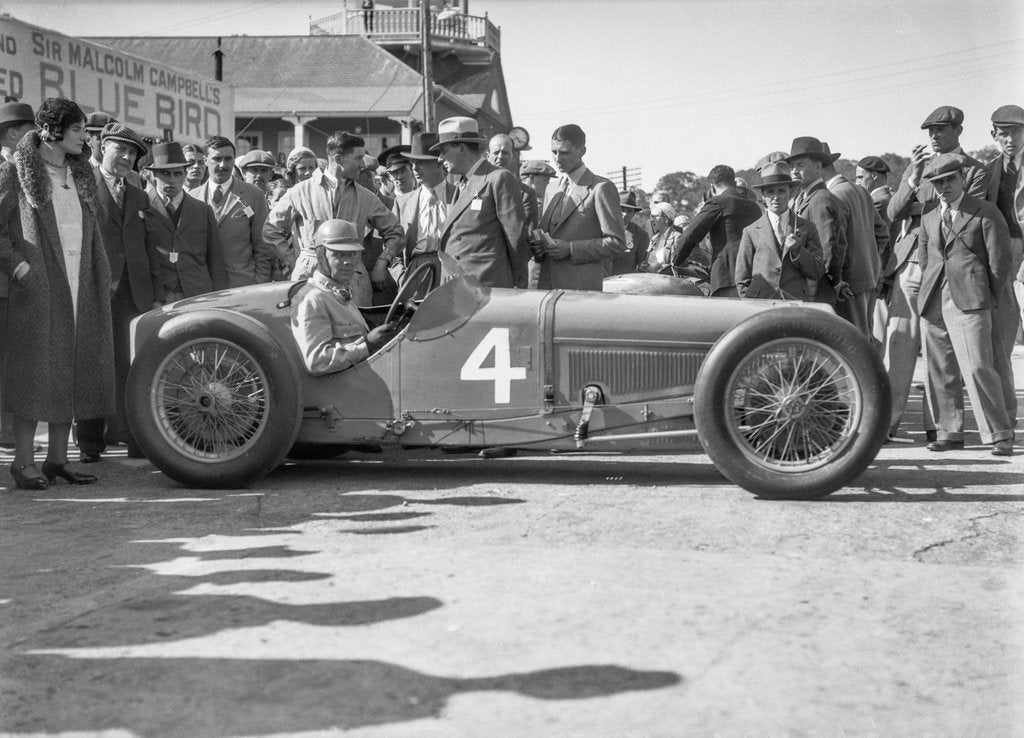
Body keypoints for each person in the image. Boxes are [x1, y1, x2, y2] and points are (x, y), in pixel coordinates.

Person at [0, 97, 115, 489]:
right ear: (52, 131)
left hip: (79, 282)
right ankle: (22, 462)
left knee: (72, 369)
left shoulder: (80, 174)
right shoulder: (16, 172)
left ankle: (57, 460)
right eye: (80, 130)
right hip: (39, 287)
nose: (87, 139)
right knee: (34, 374)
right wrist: (20, 268)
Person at [885, 106, 989, 442]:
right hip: (910, 264)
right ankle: (886, 424)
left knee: (939, 347)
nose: (933, 136)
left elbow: (965, 213)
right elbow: (893, 211)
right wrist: (913, 180)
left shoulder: (975, 170)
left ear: (959, 130)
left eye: (941, 129)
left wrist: (920, 208)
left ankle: (940, 427)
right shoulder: (919, 167)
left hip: (945, 267)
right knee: (898, 344)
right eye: (930, 130)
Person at [76, 122, 162, 463]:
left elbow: (148, 247)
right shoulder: (81, 185)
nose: (126, 157)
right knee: (93, 364)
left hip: (135, 293)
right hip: (96, 287)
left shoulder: (140, 195)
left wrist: (155, 294)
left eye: (132, 153)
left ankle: (134, 437)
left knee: (134, 365)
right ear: (102, 146)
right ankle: (89, 443)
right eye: (120, 149)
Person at [916, 154, 1013, 456]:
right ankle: (949, 432)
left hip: (971, 300)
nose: (944, 187)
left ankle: (999, 434)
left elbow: (1000, 262)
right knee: (940, 369)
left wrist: (987, 297)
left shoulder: (985, 212)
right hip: (933, 300)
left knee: (978, 366)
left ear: (962, 179)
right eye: (938, 182)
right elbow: (925, 259)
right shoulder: (929, 217)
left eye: (949, 180)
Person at [264, 130, 404, 304]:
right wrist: (297, 260)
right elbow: (271, 230)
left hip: (353, 282)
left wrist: (382, 263)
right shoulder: (300, 192)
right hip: (309, 281)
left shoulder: (367, 198)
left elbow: (396, 232)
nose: (362, 165)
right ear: (338, 159)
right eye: (358, 158)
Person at [291, 219, 400, 376]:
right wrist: (367, 346)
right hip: (342, 392)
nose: (348, 262)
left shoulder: (339, 292)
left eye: (352, 254)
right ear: (321, 255)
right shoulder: (312, 299)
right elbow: (316, 362)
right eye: (338, 254)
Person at [432, 116, 529, 288]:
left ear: (461, 148)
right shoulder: (462, 184)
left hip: (487, 289)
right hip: (460, 288)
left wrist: (518, 286)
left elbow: (516, 239)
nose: (439, 158)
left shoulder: (498, 178)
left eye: (443, 150)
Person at [533, 124, 625, 291]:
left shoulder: (601, 188)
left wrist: (571, 249)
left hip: (581, 292)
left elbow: (616, 243)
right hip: (547, 288)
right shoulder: (551, 189)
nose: (558, 159)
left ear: (581, 151)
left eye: (564, 152)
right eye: (554, 152)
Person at [145, 141, 227, 303]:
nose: (172, 180)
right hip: (158, 296)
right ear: (154, 176)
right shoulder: (143, 206)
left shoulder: (202, 210)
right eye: (165, 174)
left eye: (177, 174)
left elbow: (215, 259)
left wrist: (219, 298)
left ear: (184, 174)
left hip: (198, 294)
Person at [188, 136, 273, 288]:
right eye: (217, 159)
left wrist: (259, 282)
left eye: (228, 159)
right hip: (204, 287)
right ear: (206, 161)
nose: (222, 165)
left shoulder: (253, 195)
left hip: (242, 285)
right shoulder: (192, 197)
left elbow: (263, 246)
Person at [821, 142, 886, 336]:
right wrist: (869, 261)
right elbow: (882, 234)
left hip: (848, 285)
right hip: (869, 279)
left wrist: (844, 274)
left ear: (818, 166)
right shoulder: (861, 191)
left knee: (852, 344)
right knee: (866, 340)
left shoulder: (833, 195)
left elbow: (834, 244)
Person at [0, 100, 35, 451]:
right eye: (29, 131)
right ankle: (8, 435)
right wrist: (17, 265)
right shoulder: (6, 169)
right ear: (12, 133)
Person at [735, 161, 824, 300]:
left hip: (795, 303)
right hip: (760, 305)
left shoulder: (807, 228)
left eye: (781, 191)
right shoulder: (751, 231)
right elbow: (742, 278)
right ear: (763, 196)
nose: (776, 197)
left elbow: (817, 271)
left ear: (790, 193)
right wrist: (750, 304)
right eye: (770, 192)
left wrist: (797, 251)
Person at [673, 164, 761, 297]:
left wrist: (675, 261)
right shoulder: (755, 207)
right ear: (733, 183)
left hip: (727, 278)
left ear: (712, 186)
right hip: (754, 275)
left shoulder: (717, 202)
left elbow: (691, 234)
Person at [786, 136, 849, 307]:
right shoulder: (804, 197)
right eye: (792, 166)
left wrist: (832, 283)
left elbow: (827, 247)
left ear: (817, 166)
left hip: (816, 288)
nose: (794, 171)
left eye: (800, 165)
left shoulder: (820, 199)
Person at [984, 104, 1024, 363]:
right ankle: (1003, 377)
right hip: (998, 251)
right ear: (994, 135)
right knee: (1004, 320)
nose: (1010, 140)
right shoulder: (988, 170)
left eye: (1017, 133)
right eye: (1003, 134)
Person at [388, 132, 455, 278]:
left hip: (451, 270)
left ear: (439, 162)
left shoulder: (460, 196)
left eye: (421, 162)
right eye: (412, 163)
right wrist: (400, 275)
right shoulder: (402, 203)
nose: (415, 168)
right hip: (415, 271)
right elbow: (392, 245)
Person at [608, 190, 650, 275]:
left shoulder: (641, 235)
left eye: (630, 211)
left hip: (625, 284)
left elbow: (642, 266)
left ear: (634, 213)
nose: (625, 214)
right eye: (622, 209)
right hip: (600, 283)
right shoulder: (601, 229)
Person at [644, 201, 680, 273]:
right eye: (652, 216)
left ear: (666, 219)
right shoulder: (653, 239)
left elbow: (679, 266)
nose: (652, 220)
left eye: (656, 216)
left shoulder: (677, 237)